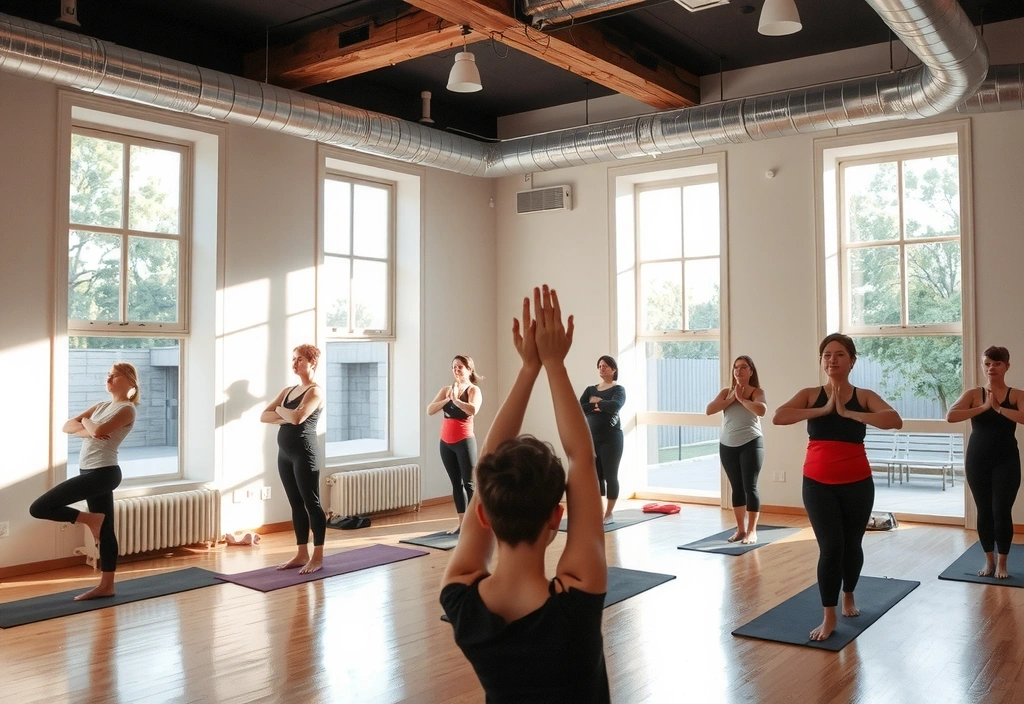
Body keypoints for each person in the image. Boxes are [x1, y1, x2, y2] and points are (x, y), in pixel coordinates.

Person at [440, 285, 609, 703]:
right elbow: (582, 460)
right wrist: (553, 364)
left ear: (482, 515)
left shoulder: (461, 600)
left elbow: (487, 464)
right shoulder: (578, 600)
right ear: (557, 516)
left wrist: (531, 367)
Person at [773, 333, 902, 641]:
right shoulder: (810, 394)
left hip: (857, 484)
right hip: (817, 484)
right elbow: (779, 416)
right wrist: (823, 410)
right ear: (822, 361)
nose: (832, 359)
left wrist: (848, 413)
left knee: (851, 545)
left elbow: (893, 420)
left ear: (852, 361)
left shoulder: (864, 396)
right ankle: (829, 615)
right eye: (827, 355)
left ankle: (849, 595)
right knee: (831, 548)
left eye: (839, 354)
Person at [30, 363, 140, 600]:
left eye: (115, 375)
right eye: (108, 375)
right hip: (89, 472)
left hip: (104, 473)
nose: (109, 378)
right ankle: (107, 585)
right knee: (106, 529)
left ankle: (91, 520)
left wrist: (89, 426)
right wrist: (90, 428)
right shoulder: (101, 406)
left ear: (130, 382)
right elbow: (67, 426)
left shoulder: (127, 409)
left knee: (39, 507)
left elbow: (98, 429)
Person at [946, 345, 1023, 579]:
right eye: (987, 364)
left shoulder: (1016, 395)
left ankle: (1003, 563)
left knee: (1001, 510)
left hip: (1006, 460)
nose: (991, 368)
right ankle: (989, 561)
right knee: (984, 510)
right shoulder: (974, 394)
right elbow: (951, 416)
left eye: (997, 364)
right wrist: (983, 408)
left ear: (1007, 366)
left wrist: (999, 410)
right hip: (977, 460)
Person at [261, 344, 326, 575]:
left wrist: (283, 412)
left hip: (305, 454)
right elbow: (263, 415)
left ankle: (317, 556)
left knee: (312, 504)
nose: (295, 363)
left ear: (312, 362)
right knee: (296, 504)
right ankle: (301, 553)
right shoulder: (288, 391)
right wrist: (286, 412)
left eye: (300, 359)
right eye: (294, 359)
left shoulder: (315, 392)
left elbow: (299, 419)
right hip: (285, 455)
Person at [706, 355, 767, 544]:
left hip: (751, 443)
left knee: (751, 487)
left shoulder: (756, 391)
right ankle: (740, 530)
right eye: (736, 367)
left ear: (751, 371)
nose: (738, 371)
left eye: (743, 367)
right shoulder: (727, 391)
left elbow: (762, 410)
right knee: (737, 488)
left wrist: (742, 400)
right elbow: (709, 409)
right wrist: (732, 398)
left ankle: (752, 531)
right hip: (727, 444)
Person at [427, 355, 483, 534]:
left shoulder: (473, 390)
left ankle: (475, 524)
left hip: (464, 442)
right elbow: (430, 410)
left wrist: (457, 400)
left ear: (469, 369)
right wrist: (447, 399)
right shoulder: (446, 390)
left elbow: (473, 409)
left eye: (460, 367)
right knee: (456, 484)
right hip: (446, 443)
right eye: (454, 367)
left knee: (469, 484)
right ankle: (461, 523)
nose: (456, 370)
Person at [580, 355, 625, 524]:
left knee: (610, 475)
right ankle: (598, 512)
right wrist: (599, 405)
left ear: (613, 369)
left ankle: (609, 513)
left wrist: (595, 404)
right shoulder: (590, 390)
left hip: (612, 438)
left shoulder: (618, 390)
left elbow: (615, 406)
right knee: (595, 476)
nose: (602, 368)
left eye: (606, 366)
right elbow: (580, 407)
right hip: (592, 438)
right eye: (600, 366)